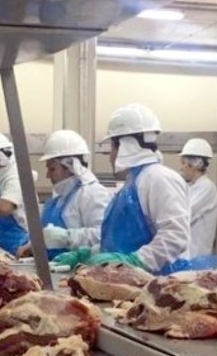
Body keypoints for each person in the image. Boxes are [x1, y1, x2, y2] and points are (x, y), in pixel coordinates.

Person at [52, 103, 197, 273]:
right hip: (130, 279)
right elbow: (120, 243)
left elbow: (175, 235)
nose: (110, 157)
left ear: (124, 145)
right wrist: (89, 253)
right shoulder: (133, 183)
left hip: (160, 280)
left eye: (111, 148)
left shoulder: (159, 178)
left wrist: (137, 260)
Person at [19, 129, 110, 260]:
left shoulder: (92, 194)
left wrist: (67, 237)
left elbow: (104, 236)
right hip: (53, 267)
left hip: (80, 269)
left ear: (70, 166)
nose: (47, 175)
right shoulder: (60, 198)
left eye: (52, 169)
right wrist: (34, 245)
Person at [179, 138, 217, 257]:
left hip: (196, 256)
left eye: (184, 164)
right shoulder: (192, 187)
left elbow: (183, 214)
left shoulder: (206, 187)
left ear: (195, 165)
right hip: (186, 255)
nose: (181, 168)